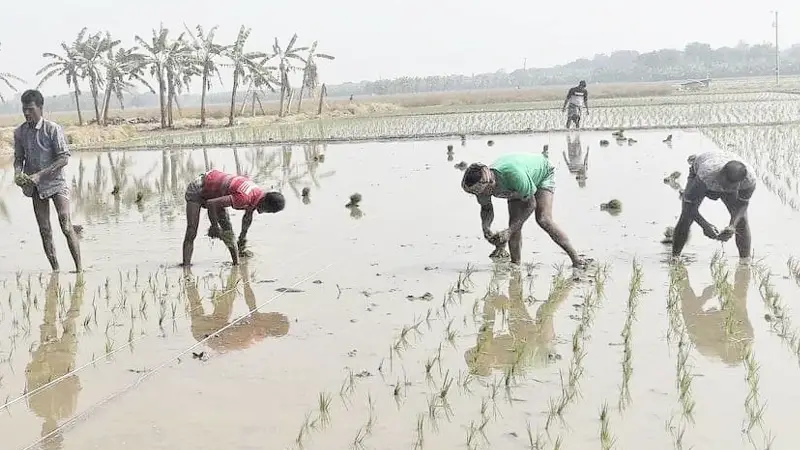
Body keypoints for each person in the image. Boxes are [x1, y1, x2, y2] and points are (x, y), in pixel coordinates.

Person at [461, 153, 587, 268]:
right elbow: (486, 209)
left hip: (542, 174)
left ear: (490, 182)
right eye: (477, 193)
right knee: (514, 223)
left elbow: (531, 204)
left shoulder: (513, 175)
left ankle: (576, 259)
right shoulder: (480, 188)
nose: (481, 194)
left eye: (483, 191)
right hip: (515, 187)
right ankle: (515, 264)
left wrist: (509, 231)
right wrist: (486, 227)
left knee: (543, 219)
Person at [13, 89, 82, 272]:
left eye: (30, 109)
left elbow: (64, 158)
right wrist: (18, 173)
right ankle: (56, 271)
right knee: (45, 230)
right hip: (35, 188)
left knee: (65, 225)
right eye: (24, 109)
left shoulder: (52, 129)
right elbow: (19, 158)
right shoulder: (19, 132)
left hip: (56, 183)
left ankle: (80, 270)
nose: (27, 113)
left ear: (40, 108)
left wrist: (40, 175)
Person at [182, 168, 285, 266]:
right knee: (192, 230)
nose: (263, 213)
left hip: (216, 193)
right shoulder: (244, 197)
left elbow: (248, 216)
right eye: (268, 211)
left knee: (228, 231)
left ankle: (236, 264)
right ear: (265, 204)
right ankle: (186, 266)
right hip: (199, 187)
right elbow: (211, 204)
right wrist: (214, 227)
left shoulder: (257, 195)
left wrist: (242, 237)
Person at [672, 151, 756, 259]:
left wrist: (732, 226)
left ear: (740, 183)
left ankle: (745, 262)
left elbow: (743, 204)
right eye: (724, 185)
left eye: (731, 187)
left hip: (719, 175)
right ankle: (675, 258)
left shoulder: (749, 180)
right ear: (720, 174)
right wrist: (705, 225)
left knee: (741, 221)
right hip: (702, 174)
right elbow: (688, 205)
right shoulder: (706, 175)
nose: (724, 190)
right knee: (686, 217)